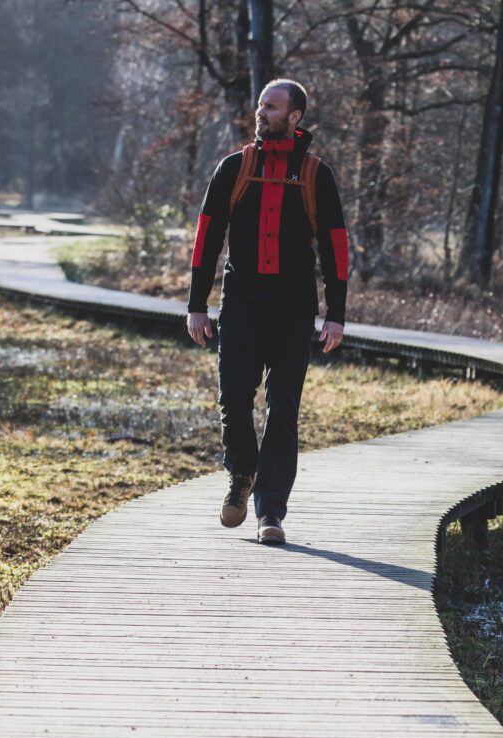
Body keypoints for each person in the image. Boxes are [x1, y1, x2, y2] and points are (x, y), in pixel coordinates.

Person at [185, 78, 349, 545]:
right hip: (241, 300)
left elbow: (337, 248)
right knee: (234, 397)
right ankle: (242, 474)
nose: (262, 112)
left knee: (284, 407)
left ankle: (270, 513)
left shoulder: (318, 175)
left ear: (294, 117)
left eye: (272, 107)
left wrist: (336, 313)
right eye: (260, 104)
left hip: (294, 305)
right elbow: (207, 238)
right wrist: (198, 304)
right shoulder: (234, 167)